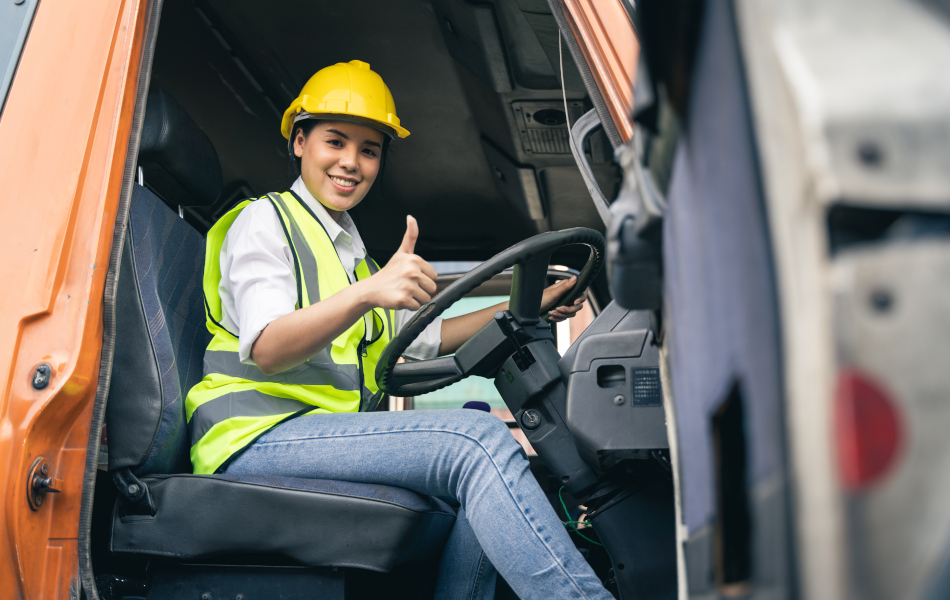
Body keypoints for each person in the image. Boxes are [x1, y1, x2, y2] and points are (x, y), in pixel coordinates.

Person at [185, 60, 613, 600]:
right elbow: (268, 348)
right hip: (253, 437)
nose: (351, 162)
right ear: (299, 141)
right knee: (473, 441)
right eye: (334, 142)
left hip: (311, 434)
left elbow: (426, 339)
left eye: (369, 150)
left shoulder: (356, 260)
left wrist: (520, 307)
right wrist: (368, 291)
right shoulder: (265, 221)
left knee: (488, 486)